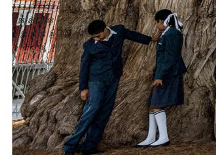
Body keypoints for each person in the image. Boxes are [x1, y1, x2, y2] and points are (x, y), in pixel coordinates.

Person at [63, 18, 153, 155]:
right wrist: (83, 88)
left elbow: (134, 35)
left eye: (98, 36)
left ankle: (89, 147)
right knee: (92, 110)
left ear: (105, 29)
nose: (97, 39)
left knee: (105, 112)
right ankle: (69, 147)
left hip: (113, 78)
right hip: (96, 80)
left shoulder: (119, 31)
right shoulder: (89, 45)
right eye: (94, 37)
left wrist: (152, 39)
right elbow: (84, 67)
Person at [136, 9, 187, 147]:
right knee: (153, 104)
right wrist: (154, 71)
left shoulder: (172, 34)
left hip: (169, 74)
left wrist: (159, 76)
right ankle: (151, 137)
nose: (156, 26)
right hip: (163, 73)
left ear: (161, 21)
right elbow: (163, 57)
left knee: (157, 104)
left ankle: (163, 137)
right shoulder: (167, 33)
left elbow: (170, 58)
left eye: (156, 23)